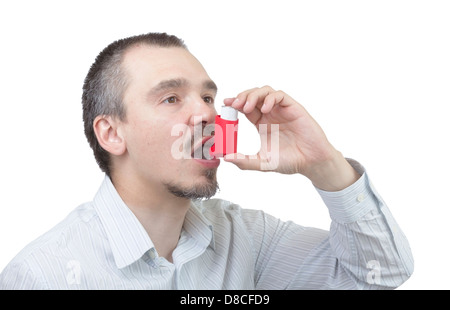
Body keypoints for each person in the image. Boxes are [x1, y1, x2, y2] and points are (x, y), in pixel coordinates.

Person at [0, 32, 413, 290]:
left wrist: (323, 164)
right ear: (111, 133)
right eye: (171, 98)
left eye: (208, 97)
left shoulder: (247, 239)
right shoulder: (44, 276)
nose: (205, 114)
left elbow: (378, 274)